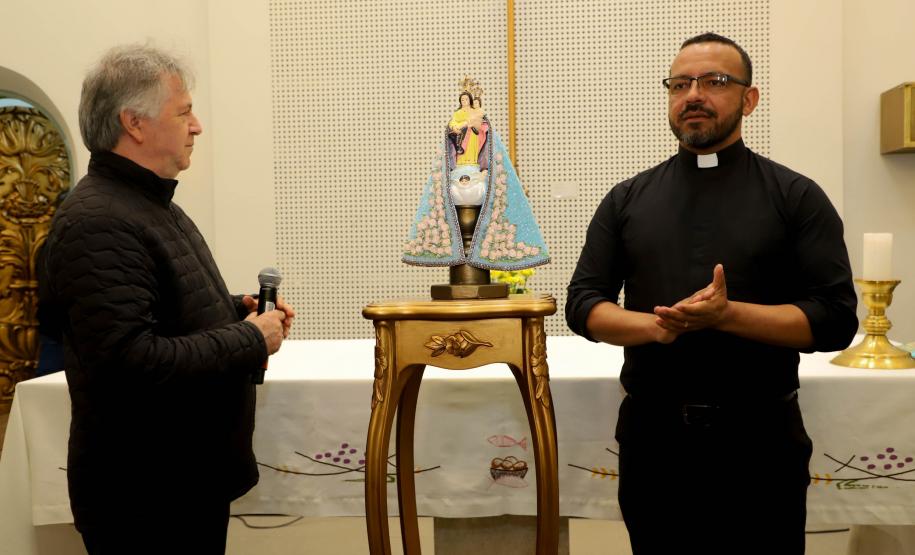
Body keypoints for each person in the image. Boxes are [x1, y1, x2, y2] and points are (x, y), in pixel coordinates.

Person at [565, 33, 857, 555]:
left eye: (714, 81)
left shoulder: (796, 197)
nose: (693, 94)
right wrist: (658, 327)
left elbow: (835, 320)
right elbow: (584, 305)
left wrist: (726, 315)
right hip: (654, 443)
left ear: (749, 99)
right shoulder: (628, 199)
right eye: (680, 84)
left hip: (760, 442)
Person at [38, 44, 294, 554]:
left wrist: (232, 307)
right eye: (184, 112)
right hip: (144, 498)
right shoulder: (99, 221)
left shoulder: (147, 202)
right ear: (134, 123)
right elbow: (130, 360)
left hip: (178, 485)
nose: (196, 125)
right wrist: (247, 338)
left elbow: (163, 306)